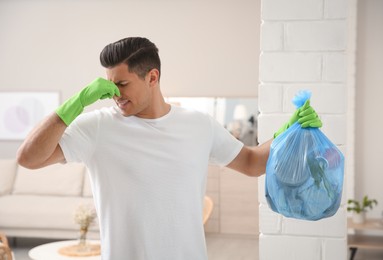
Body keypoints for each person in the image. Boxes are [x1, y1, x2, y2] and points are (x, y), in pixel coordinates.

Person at [17, 37, 322, 260]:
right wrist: (77, 102)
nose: (113, 94)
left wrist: (289, 131)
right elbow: (29, 158)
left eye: (122, 84)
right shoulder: (97, 127)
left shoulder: (199, 125)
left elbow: (253, 162)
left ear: (152, 77)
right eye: (108, 85)